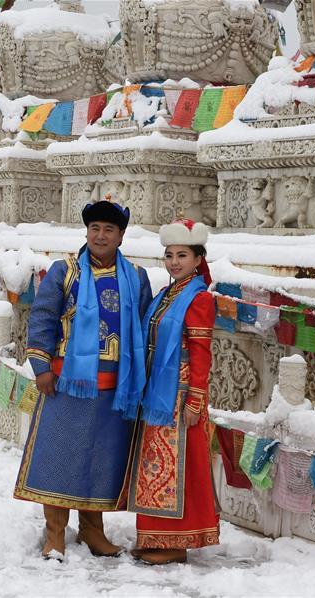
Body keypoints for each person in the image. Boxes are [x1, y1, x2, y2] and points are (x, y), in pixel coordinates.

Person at [14, 200, 153, 560]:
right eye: (95, 229)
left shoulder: (136, 278)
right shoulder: (65, 271)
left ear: (121, 236)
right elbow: (43, 318)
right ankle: (55, 534)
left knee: (100, 460)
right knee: (58, 458)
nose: (101, 235)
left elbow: (143, 329)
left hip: (116, 390)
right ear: (86, 233)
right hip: (66, 383)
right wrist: (41, 367)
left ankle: (94, 531)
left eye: (109, 229)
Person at [122, 218, 220, 565]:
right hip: (158, 396)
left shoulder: (199, 299)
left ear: (197, 259)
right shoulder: (167, 294)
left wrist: (195, 399)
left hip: (180, 399)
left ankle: (176, 542)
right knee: (155, 467)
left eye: (182, 255)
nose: (174, 262)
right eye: (169, 255)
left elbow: (201, 355)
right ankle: (155, 538)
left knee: (178, 469)